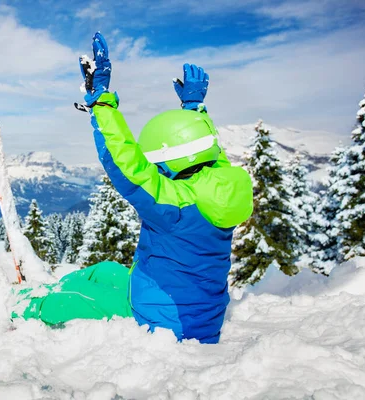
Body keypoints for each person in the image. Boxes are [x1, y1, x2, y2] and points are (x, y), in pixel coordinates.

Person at [14, 32, 253, 344]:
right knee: (104, 271)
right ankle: (54, 284)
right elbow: (207, 149)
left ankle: (22, 304)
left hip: (168, 318)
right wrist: (194, 110)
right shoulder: (223, 181)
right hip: (196, 308)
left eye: (159, 164)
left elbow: (126, 164)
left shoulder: (177, 204)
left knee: (71, 301)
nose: (157, 170)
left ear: (173, 162)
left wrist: (101, 100)